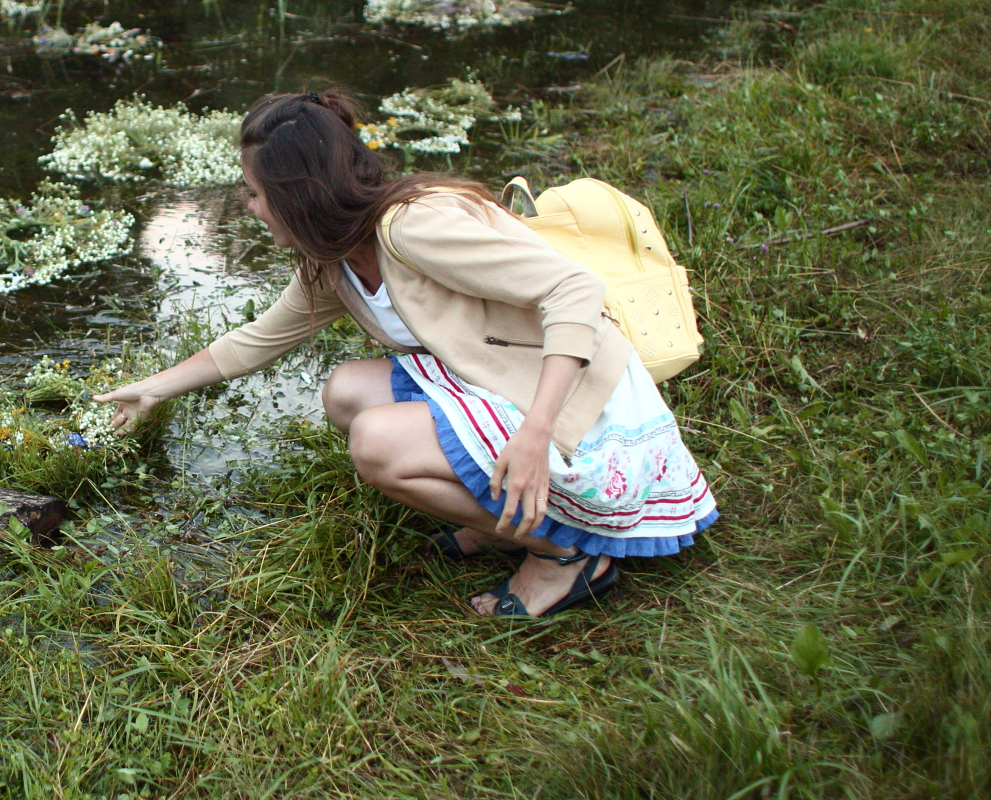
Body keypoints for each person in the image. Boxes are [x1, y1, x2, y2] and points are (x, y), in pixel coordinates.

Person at [94, 90, 717, 619]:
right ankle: (505, 520)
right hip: (503, 377)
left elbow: (575, 288)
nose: (249, 207)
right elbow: (257, 339)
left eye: (256, 193)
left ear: (297, 195)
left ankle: (568, 556)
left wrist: (536, 432)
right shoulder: (336, 256)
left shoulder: (413, 227)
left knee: (377, 443)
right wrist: (152, 389)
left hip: (576, 398)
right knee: (345, 391)